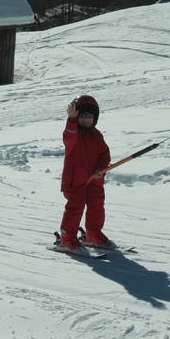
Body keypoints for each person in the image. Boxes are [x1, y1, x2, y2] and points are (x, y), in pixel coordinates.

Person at [58, 95, 112, 250]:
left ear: (95, 118)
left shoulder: (97, 135)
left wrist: (100, 169)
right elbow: (69, 136)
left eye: (89, 116)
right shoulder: (73, 134)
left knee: (97, 206)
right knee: (76, 207)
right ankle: (67, 237)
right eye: (82, 116)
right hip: (75, 180)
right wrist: (71, 119)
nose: (85, 120)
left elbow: (104, 154)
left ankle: (93, 233)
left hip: (95, 179)